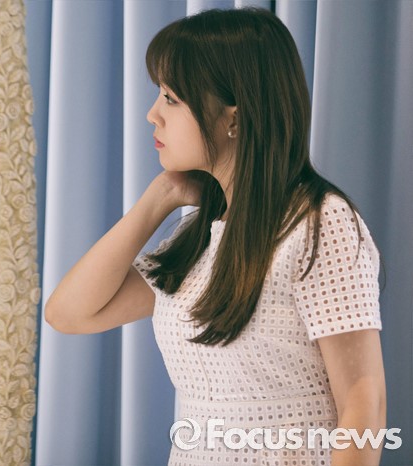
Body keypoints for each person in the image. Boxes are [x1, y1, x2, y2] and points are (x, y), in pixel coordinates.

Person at [45, 8, 386, 466]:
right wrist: (159, 198)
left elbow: (364, 402)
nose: (152, 114)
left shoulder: (320, 223)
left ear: (233, 117)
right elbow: (68, 314)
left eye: (171, 98)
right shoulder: (200, 237)